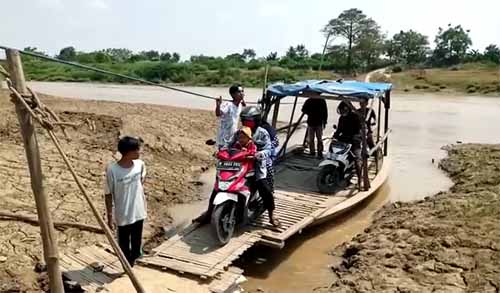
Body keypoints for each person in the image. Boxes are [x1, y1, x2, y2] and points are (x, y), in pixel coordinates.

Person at [105, 136, 147, 267]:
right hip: (123, 214)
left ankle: (135, 259)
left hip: (139, 211)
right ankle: (126, 265)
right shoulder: (112, 170)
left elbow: (141, 181)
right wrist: (110, 216)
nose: (139, 152)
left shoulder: (140, 165)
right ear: (129, 152)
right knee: (123, 243)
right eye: (137, 150)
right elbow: (108, 194)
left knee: (136, 240)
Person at [333, 101, 362, 190]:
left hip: (354, 140)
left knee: (357, 159)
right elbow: (339, 130)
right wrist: (334, 137)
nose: (342, 112)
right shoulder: (341, 118)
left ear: (348, 108)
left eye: (344, 110)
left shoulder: (356, 116)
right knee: (339, 158)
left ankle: (360, 181)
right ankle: (341, 178)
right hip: (344, 140)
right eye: (341, 110)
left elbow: (359, 130)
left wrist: (354, 137)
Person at [215, 84, 246, 149]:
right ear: (233, 94)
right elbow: (218, 114)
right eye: (239, 92)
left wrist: (243, 102)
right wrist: (218, 105)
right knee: (223, 156)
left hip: (233, 137)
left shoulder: (240, 105)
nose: (242, 93)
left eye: (242, 91)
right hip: (224, 138)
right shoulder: (228, 105)